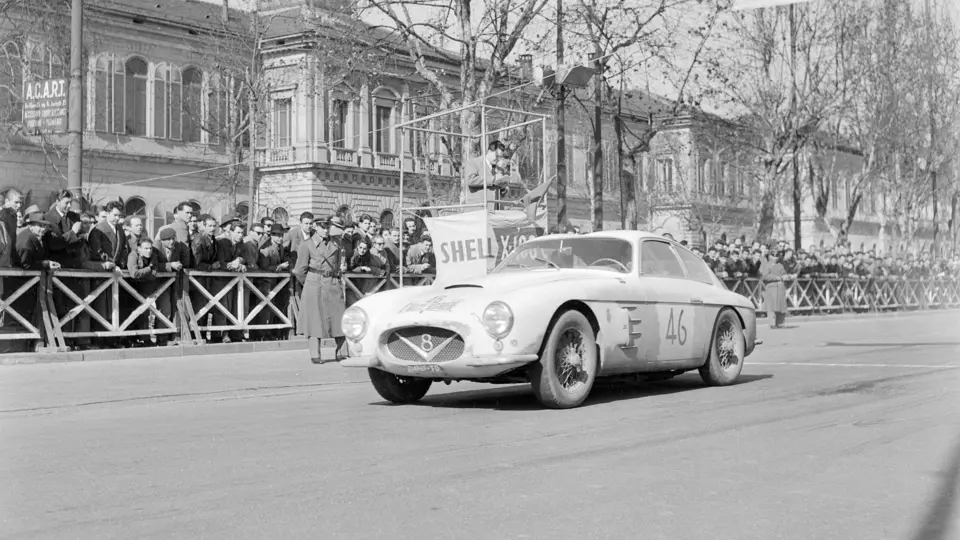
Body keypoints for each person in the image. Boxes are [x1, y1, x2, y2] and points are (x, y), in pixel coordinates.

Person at [293, 216, 347, 364]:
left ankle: (342, 352)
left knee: (338, 317)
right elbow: (299, 270)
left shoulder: (335, 244)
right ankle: (315, 354)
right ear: (316, 227)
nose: (325, 230)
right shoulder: (307, 245)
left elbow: (336, 267)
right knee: (314, 320)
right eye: (322, 227)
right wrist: (310, 282)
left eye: (327, 227)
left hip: (333, 283)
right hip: (315, 283)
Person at [760, 250, 788, 329]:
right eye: (773, 256)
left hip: (780, 288)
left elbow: (784, 273)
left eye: (776, 256)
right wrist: (776, 278)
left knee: (781, 306)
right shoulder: (767, 265)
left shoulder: (780, 265)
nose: (775, 258)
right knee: (771, 306)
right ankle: (771, 323)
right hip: (771, 287)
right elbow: (765, 276)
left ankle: (780, 323)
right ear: (769, 256)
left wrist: (786, 276)